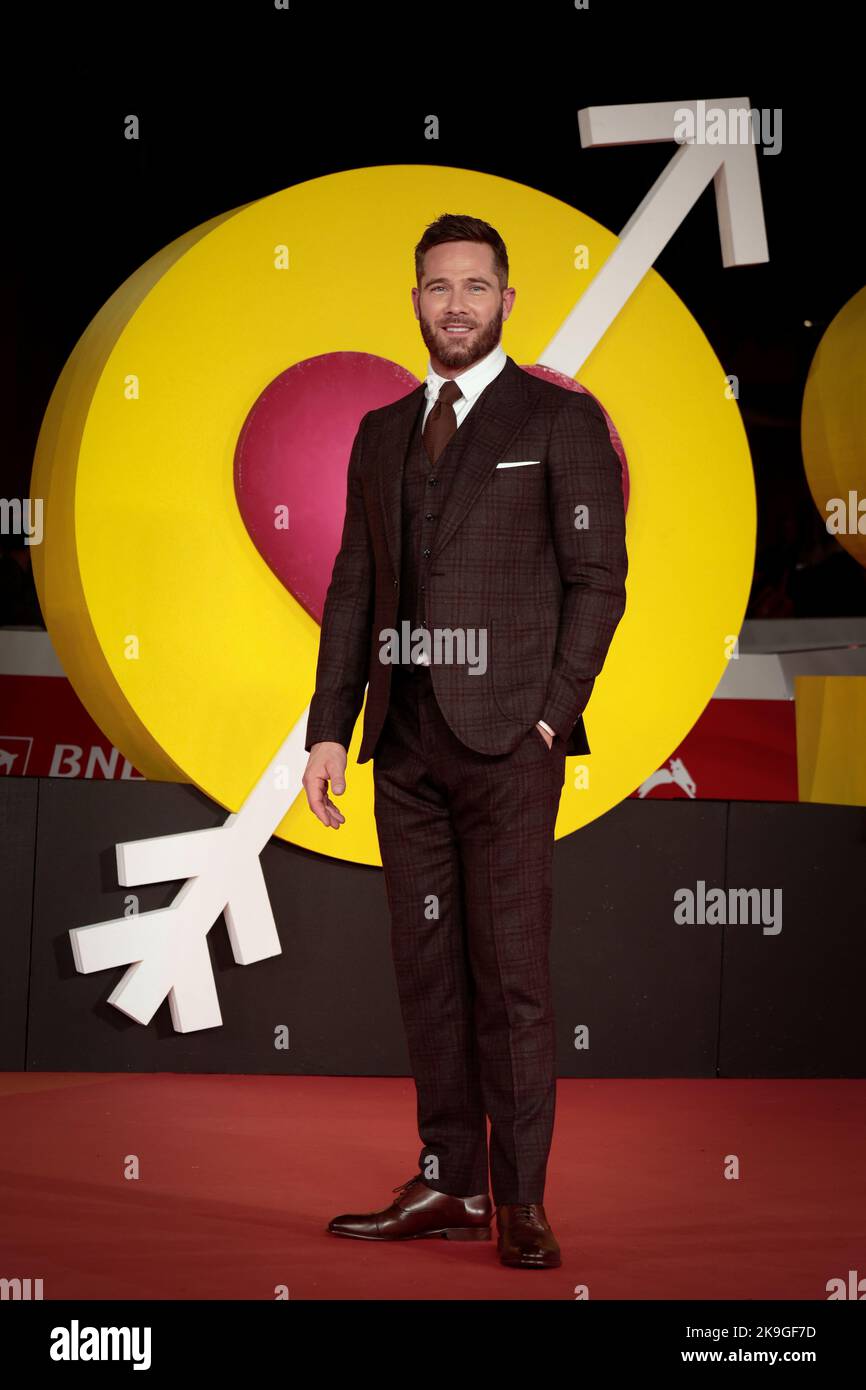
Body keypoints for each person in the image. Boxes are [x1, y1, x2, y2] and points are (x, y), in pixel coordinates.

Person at [302, 213, 628, 1268]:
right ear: (413, 300)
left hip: (506, 746)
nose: (454, 304)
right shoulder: (381, 430)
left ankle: (519, 1198)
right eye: (437, 287)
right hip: (401, 743)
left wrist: (548, 714)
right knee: (427, 970)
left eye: (474, 286)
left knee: (513, 976)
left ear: (505, 298)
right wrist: (325, 733)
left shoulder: (557, 419)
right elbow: (354, 589)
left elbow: (596, 582)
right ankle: (446, 1181)